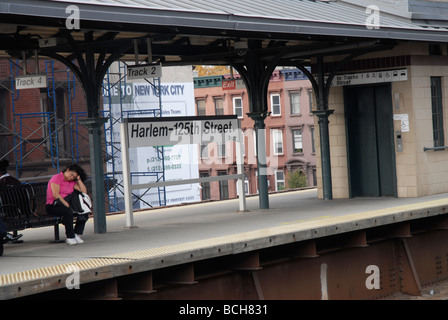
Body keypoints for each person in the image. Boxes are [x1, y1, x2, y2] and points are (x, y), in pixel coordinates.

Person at [45, 164, 91, 245]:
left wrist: (78, 180)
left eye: (74, 177)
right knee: (68, 211)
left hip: (67, 204)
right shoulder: (56, 178)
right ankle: (70, 236)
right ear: (67, 170)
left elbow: (83, 191)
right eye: (71, 175)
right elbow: (56, 195)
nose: (71, 177)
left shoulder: (72, 182)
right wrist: (66, 204)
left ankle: (76, 233)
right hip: (53, 205)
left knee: (84, 211)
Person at [0, 159, 23, 243]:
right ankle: (5, 234)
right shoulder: (15, 181)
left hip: (7, 209)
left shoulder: (2, 182)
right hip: (20, 209)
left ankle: (5, 234)